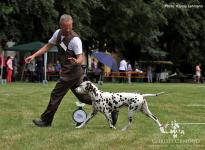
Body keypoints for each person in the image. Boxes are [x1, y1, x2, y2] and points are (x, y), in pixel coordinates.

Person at [25, 14, 118, 127]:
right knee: (83, 97)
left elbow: (81, 57)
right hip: (69, 72)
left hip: (72, 73)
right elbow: (48, 46)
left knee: (56, 94)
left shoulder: (75, 40)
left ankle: (46, 120)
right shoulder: (57, 34)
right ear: (61, 25)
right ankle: (111, 106)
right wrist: (34, 55)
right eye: (66, 27)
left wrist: (77, 61)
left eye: (70, 26)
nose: (68, 29)